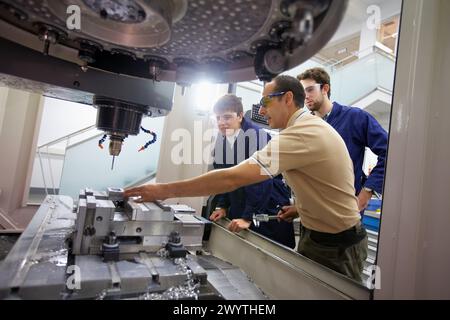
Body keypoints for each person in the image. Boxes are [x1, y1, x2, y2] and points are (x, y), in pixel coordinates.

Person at [125, 75, 368, 282]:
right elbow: (322, 184)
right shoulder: (302, 129)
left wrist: (164, 190)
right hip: (315, 235)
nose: (261, 110)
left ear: (288, 99)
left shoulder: (301, 134)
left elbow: (233, 178)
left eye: (266, 102)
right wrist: (300, 209)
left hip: (336, 247)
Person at [209, 94, 295, 248]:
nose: (221, 123)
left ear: (240, 116)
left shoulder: (256, 137)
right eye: (218, 118)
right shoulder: (223, 139)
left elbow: (260, 181)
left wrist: (248, 217)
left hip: (266, 203)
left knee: (267, 256)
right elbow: (224, 177)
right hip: (241, 203)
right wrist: (222, 206)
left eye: (227, 117)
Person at [297, 68, 388, 212]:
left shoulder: (355, 118)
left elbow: (390, 151)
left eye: (310, 90)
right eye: (303, 92)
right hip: (312, 213)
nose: (306, 96)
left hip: (345, 213)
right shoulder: (304, 126)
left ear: (325, 88)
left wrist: (366, 193)